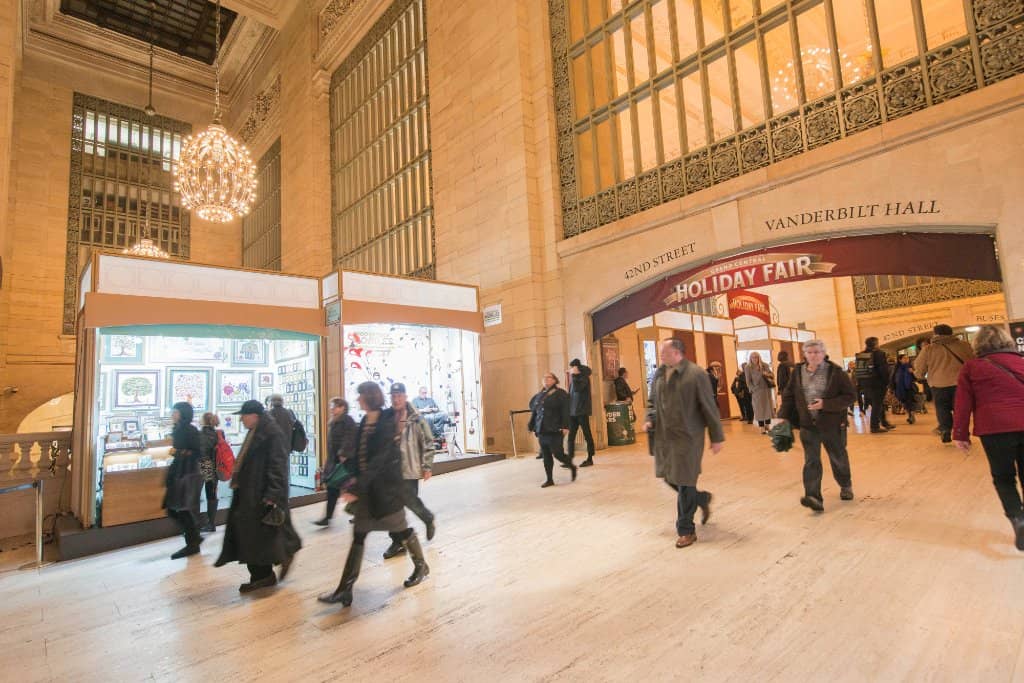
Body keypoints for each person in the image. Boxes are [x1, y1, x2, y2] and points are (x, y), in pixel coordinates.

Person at [318, 382, 429, 607]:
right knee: (359, 535)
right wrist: (347, 482)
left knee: (401, 529)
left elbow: (378, 461)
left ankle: (421, 565)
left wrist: (357, 487)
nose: (357, 400)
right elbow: (359, 457)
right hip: (369, 493)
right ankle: (345, 588)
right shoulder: (364, 421)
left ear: (368, 397)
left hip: (386, 491)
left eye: (360, 396)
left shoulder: (385, 423)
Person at [214, 400, 302, 593]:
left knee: (258, 536)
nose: (242, 420)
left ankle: (265, 574)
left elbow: (278, 466)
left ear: (255, 415)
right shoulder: (257, 432)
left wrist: (272, 494)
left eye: (244, 416)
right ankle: (267, 570)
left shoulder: (271, 434)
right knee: (256, 536)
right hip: (251, 492)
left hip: (261, 494)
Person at [644, 338, 724, 549]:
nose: (661, 355)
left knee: (685, 481)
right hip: (664, 437)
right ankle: (702, 499)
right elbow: (652, 401)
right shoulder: (660, 373)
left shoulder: (696, 374)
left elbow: (709, 406)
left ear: (677, 353)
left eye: (664, 352)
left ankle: (686, 530)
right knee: (670, 478)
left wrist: (716, 437)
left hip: (688, 437)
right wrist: (649, 417)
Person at [952, 325, 1024, 550]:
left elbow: (963, 404)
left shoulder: (971, 367)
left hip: (994, 429)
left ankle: (1018, 519)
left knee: (1003, 477)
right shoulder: (1022, 361)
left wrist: (960, 434)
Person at [778, 340, 857, 513]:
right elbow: (789, 395)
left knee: (838, 458)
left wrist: (826, 404)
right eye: (810, 352)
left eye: (817, 352)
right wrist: (783, 416)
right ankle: (813, 497)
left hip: (832, 425)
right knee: (811, 461)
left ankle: (845, 485)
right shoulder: (797, 372)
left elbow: (850, 396)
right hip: (808, 425)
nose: (814, 355)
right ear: (804, 354)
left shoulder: (836, 372)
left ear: (823, 353)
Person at [382, 383, 437, 560]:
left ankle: (427, 518)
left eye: (399, 395)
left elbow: (429, 442)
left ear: (405, 396)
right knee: (391, 508)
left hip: (409, 468)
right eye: (393, 396)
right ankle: (397, 542)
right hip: (390, 470)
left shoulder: (416, 418)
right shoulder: (387, 416)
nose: (396, 399)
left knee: (411, 502)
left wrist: (427, 466)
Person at [914, 324, 975, 443]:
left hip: (938, 384)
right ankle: (963, 434)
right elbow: (974, 361)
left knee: (942, 408)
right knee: (960, 409)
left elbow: (919, 367)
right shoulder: (964, 345)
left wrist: (919, 376)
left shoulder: (928, 349)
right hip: (961, 384)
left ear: (936, 334)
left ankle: (946, 429)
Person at [163, 402, 203, 559]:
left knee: (180, 508)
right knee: (176, 508)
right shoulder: (179, 429)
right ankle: (193, 538)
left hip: (186, 474)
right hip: (180, 472)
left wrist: (179, 452)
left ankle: (193, 541)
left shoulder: (189, 430)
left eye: (175, 412)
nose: (173, 414)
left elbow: (198, 452)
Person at [528, 372, 577, 487]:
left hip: (555, 428)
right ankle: (549, 479)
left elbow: (565, 411)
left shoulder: (560, 394)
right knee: (546, 456)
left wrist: (565, 426)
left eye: (548, 377)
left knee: (558, 454)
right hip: (542, 430)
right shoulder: (540, 395)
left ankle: (571, 466)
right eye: (543, 377)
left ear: (555, 380)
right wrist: (531, 426)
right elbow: (535, 412)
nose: (545, 379)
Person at [314, 397, 357, 526]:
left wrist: (344, 452)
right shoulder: (333, 422)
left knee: (351, 489)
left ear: (343, 407)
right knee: (333, 487)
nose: (332, 409)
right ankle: (327, 517)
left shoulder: (347, 420)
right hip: (336, 461)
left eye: (335, 406)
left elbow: (350, 437)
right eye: (331, 406)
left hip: (346, 461)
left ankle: (360, 513)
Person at [856, 337, 895, 433]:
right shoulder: (879, 354)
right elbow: (883, 370)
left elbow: (858, 371)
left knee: (877, 403)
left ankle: (884, 422)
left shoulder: (861, 354)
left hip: (865, 383)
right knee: (877, 404)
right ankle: (874, 426)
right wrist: (887, 382)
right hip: (877, 383)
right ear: (876, 344)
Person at [567, 358, 596, 467]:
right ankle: (569, 459)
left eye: (572, 368)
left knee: (587, 435)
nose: (570, 370)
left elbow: (578, 389)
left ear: (576, 368)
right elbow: (571, 393)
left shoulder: (584, 377)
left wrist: (574, 376)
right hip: (573, 412)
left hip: (582, 411)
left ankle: (590, 458)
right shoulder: (574, 377)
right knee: (571, 436)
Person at [197, 412, 222, 532]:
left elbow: (200, 451)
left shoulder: (200, 434)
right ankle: (211, 522)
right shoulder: (219, 433)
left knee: (195, 494)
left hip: (203, 464)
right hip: (215, 465)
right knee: (211, 493)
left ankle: (197, 523)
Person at [744, 352, 775, 434]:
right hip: (756, 391)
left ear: (759, 357)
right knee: (759, 409)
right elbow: (748, 381)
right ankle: (761, 427)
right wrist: (753, 389)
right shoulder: (748, 367)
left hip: (766, 389)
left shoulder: (764, 365)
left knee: (767, 408)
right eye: (753, 357)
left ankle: (767, 425)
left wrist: (767, 374)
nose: (755, 359)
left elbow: (772, 375)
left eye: (756, 357)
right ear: (750, 358)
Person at [891, 355, 919, 424]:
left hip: (909, 387)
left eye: (907, 358)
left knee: (909, 401)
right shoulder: (897, 368)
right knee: (905, 402)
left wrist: (913, 372)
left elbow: (916, 378)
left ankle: (911, 416)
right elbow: (893, 378)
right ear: (900, 360)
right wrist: (892, 388)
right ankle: (910, 414)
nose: (907, 359)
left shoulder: (910, 367)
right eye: (905, 358)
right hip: (900, 389)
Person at [916, 337, 933, 402]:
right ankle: (928, 398)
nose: (926, 346)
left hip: (933, 374)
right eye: (923, 345)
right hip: (925, 375)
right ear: (920, 347)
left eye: (927, 344)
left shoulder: (933, 352)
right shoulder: (920, 355)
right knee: (926, 387)